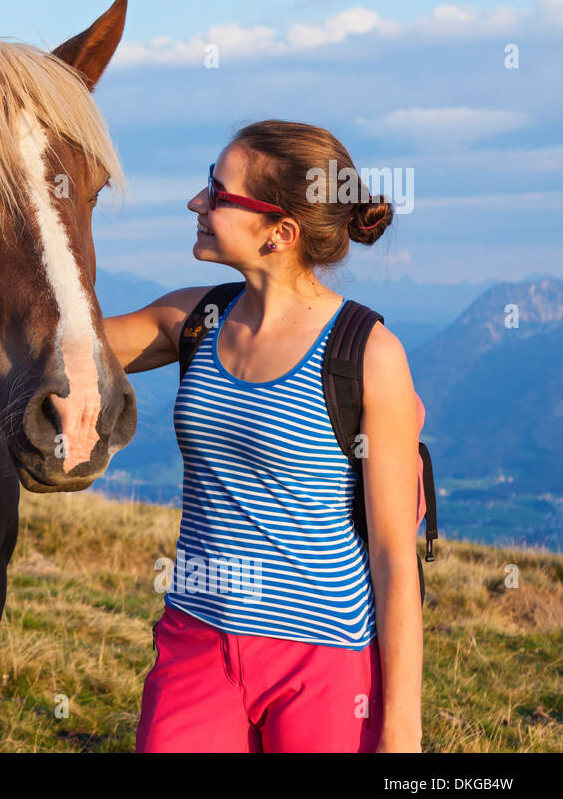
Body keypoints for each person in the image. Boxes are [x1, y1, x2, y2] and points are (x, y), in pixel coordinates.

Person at [105, 120, 422, 753]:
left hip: (324, 661)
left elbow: (392, 554)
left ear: (281, 232)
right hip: (196, 642)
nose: (198, 202)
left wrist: (401, 732)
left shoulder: (368, 355)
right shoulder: (191, 319)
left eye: (219, 194)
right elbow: (51, 348)